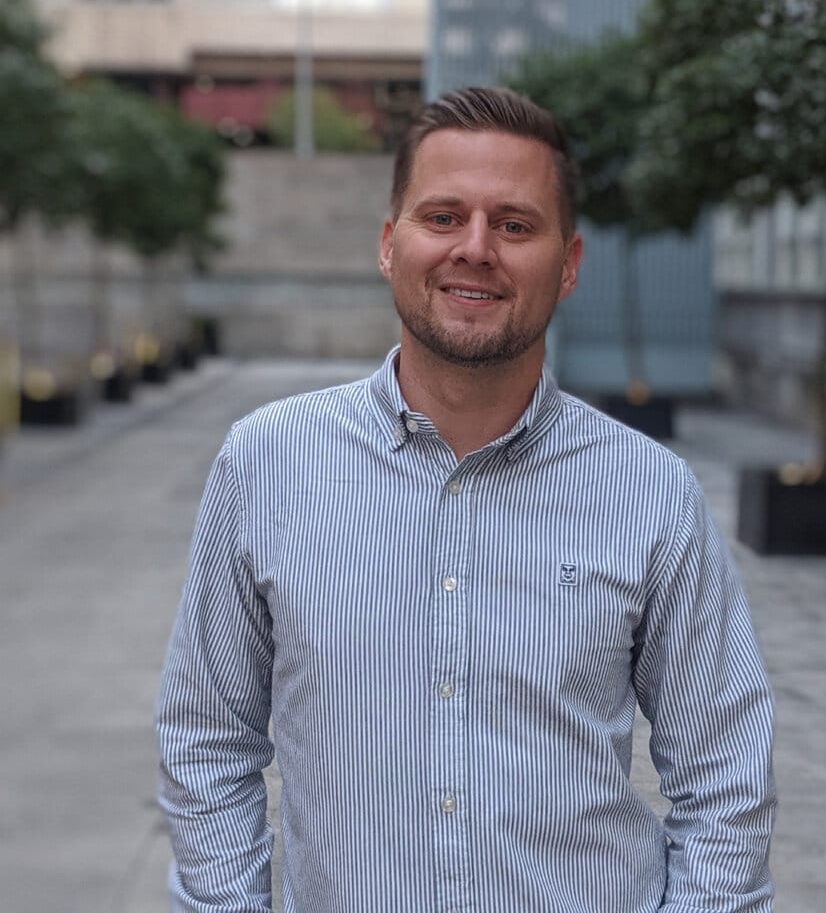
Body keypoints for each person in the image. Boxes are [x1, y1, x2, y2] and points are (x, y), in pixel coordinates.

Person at [157, 86, 776, 912]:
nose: (474, 249)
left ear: (569, 263)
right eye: (442, 217)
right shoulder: (265, 464)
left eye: (514, 225)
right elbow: (206, 741)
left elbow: (726, 777)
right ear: (389, 244)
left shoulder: (648, 492)